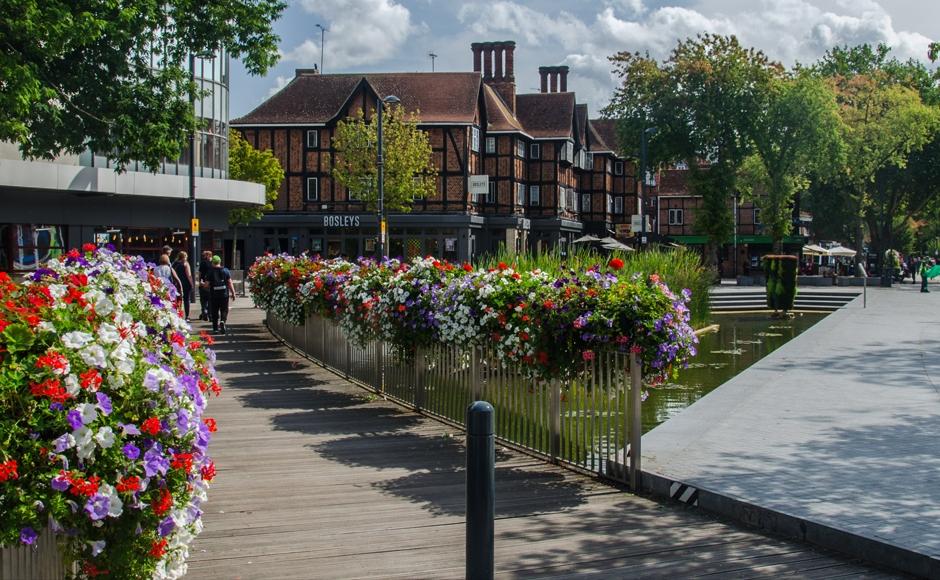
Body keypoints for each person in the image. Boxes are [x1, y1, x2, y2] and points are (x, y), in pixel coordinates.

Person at [203, 255, 235, 334]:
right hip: (224, 294)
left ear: (212, 262)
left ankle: (215, 329)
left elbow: (206, 285)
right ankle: (223, 321)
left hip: (214, 295)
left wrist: (202, 284)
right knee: (224, 309)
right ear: (220, 262)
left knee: (214, 311)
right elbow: (230, 282)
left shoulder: (210, 271)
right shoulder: (225, 270)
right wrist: (233, 293)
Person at [172, 251, 195, 320]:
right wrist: (192, 284)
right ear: (184, 257)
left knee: (178, 299)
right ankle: (187, 316)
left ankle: (178, 314)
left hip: (177, 283)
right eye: (186, 256)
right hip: (186, 283)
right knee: (186, 299)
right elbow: (189, 275)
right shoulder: (185, 264)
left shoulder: (174, 264)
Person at [198, 250, 213, 321]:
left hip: (202, 283)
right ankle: (210, 315)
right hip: (210, 284)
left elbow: (200, 273)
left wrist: (199, 281)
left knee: (203, 300)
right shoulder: (212, 264)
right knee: (210, 301)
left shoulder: (202, 263)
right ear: (210, 256)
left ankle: (204, 312)